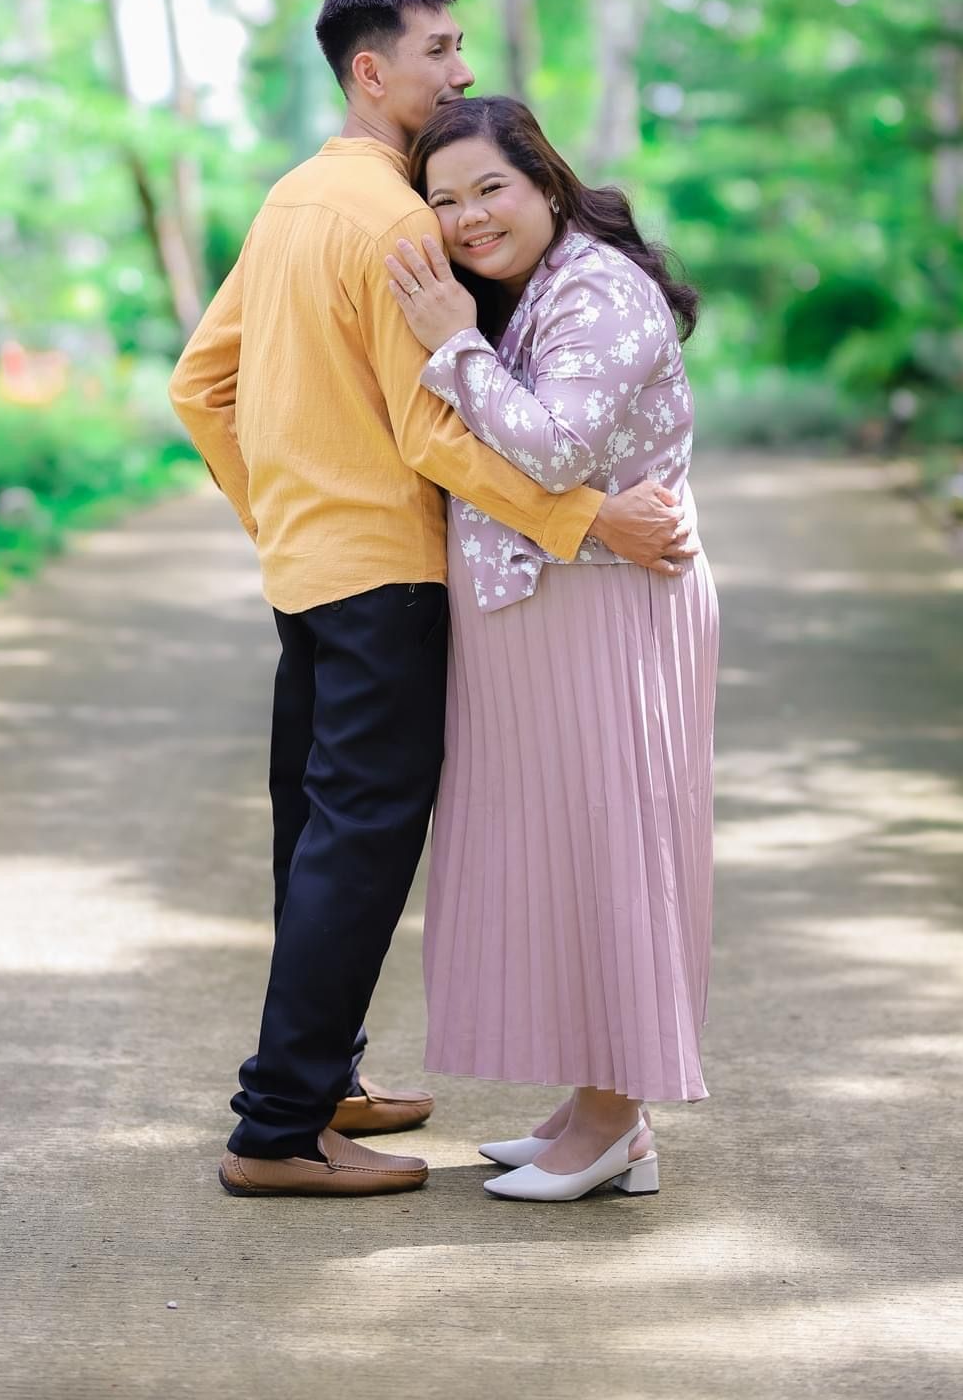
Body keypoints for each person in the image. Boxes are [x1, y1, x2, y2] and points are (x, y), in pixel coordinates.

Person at [168, 0, 696, 1200]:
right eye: (439, 50)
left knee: (318, 835)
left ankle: (320, 1078)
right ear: (372, 70)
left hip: (309, 569)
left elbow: (199, 386)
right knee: (358, 845)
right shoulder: (402, 221)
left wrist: (279, 515)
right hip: (389, 575)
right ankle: (280, 1126)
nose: (461, 70)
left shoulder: (292, 200)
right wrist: (587, 519)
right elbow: (435, 434)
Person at [383, 94, 718, 1204]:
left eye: (491, 188)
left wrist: (452, 344)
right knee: (568, 854)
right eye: (445, 202)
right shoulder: (532, 288)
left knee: (609, 848)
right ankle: (596, 1106)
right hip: (560, 604)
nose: (469, 218)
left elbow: (559, 446)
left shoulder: (597, 290)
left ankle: (617, 1121)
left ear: (546, 182)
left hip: (607, 609)